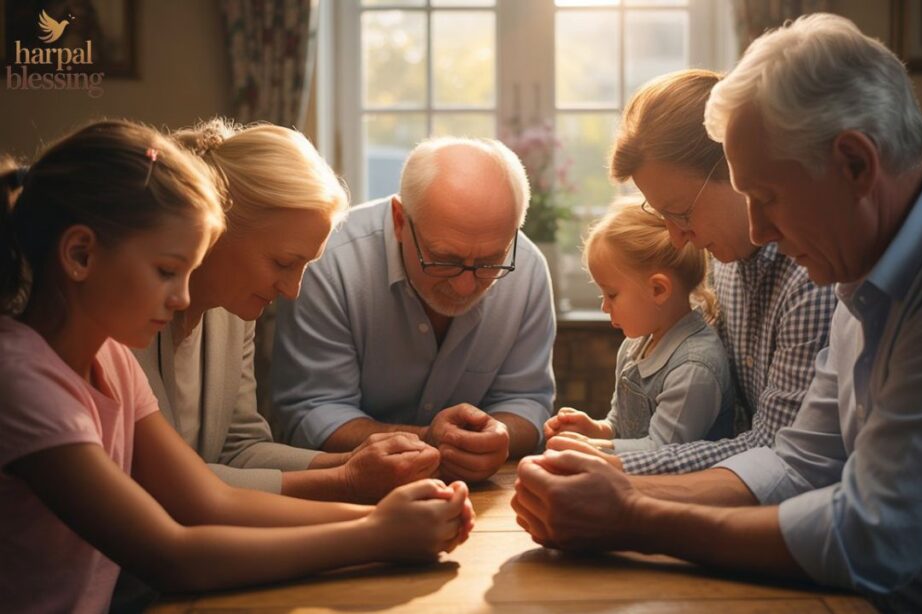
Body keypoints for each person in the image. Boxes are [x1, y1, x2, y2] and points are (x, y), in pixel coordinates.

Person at [513, 14, 922, 611]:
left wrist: (632, 515)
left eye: (768, 197)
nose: (758, 229)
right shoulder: (861, 264)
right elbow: (800, 464)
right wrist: (617, 487)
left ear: (855, 164)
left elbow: (873, 537)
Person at [0, 120, 473, 614]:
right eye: (167, 271)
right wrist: (375, 535)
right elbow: (173, 556)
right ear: (80, 254)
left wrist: (382, 516)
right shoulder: (23, 381)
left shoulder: (112, 359)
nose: (182, 294)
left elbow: (211, 501)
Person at [131, 118, 437, 504]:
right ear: (217, 227)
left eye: (305, 267)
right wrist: (346, 480)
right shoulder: (126, 317)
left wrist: (356, 459)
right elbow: (154, 481)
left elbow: (240, 449)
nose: (292, 291)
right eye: (282, 262)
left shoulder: (233, 311)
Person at [549, 68, 835, 475]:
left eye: (681, 212)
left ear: (737, 167)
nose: (678, 238)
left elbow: (775, 449)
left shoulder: (811, 276)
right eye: (661, 215)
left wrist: (614, 465)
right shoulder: (719, 257)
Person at [271, 137, 556, 483]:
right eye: (444, 259)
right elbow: (313, 411)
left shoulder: (527, 269)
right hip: (346, 490)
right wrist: (427, 440)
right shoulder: (328, 262)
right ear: (400, 220)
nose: (465, 287)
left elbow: (527, 400)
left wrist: (501, 436)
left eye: (490, 262)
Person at [543, 200, 733, 453]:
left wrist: (592, 448)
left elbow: (662, 451)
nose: (604, 307)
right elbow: (622, 426)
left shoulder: (694, 368)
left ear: (658, 289)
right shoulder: (635, 346)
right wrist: (595, 429)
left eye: (611, 294)